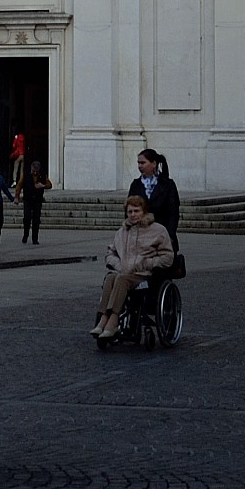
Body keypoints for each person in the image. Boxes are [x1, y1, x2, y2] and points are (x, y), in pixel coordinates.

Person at [93, 194, 174, 345]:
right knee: (111, 277)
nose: (133, 215)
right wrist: (119, 265)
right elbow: (110, 254)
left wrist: (147, 263)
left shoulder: (157, 231)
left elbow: (168, 257)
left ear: (144, 211)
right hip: (123, 273)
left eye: (136, 211)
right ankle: (104, 317)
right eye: (130, 212)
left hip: (143, 276)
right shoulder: (122, 232)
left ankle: (112, 320)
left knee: (121, 279)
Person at [129, 148, 181, 254]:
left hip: (162, 234)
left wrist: (169, 235)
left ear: (153, 163)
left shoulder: (168, 185)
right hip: (141, 236)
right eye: (138, 163)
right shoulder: (136, 185)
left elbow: (173, 213)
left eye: (143, 162)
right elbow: (129, 210)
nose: (140, 166)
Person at [14, 138, 51, 245]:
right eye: (33, 171)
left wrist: (42, 185)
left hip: (38, 200)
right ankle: (25, 235)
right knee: (27, 218)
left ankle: (35, 238)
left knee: (36, 219)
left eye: (36, 171)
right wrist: (17, 197)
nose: (35, 172)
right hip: (28, 199)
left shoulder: (42, 175)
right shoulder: (25, 175)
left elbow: (49, 184)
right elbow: (19, 185)